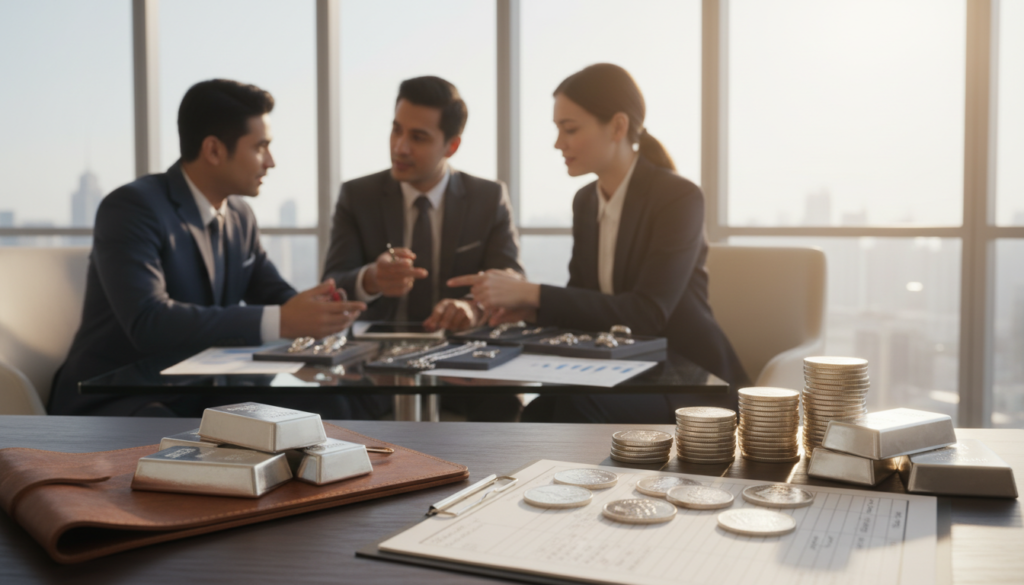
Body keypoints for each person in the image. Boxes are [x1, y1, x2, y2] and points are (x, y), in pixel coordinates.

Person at [449, 64, 750, 423]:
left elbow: (648, 314)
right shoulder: (586, 201)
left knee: (570, 412)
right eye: (557, 129)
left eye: (570, 129)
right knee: (536, 413)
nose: (558, 143)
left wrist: (533, 294)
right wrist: (530, 311)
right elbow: (585, 298)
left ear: (618, 126)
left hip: (686, 376)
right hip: (619, 370)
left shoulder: (679, 197)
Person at [50, 79, 367, 417]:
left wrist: (320, 308)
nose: (270, 161)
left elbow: (276, 296)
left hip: (206, 392)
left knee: (333, 404)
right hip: (121, 397)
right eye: (260, 147)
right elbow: (149, 321)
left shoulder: (240, 216)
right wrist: (283, 320)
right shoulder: (132, 208)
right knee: (168, 435)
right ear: (214, 150)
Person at [322, 75, 524, 421]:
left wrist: (471, 307)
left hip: (461, 363)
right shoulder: (358, 196)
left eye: (417, 137)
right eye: (396, 129)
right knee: (324, 408)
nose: (400, 147)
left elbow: (510, 278)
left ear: (452, 145)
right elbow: (333, 282)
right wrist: (371, 279)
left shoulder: (488, 198)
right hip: (373, 368)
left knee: (509, 409)